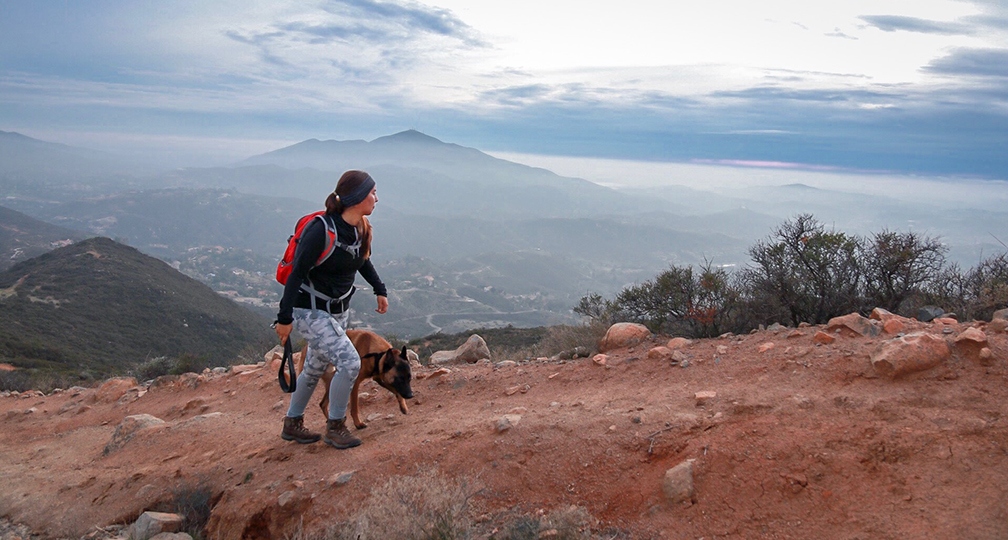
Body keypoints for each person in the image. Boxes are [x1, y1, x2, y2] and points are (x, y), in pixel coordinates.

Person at [274, 170, 388, 449]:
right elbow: (297, 273)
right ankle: (336, 426)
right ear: (358, 197)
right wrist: (284, 318)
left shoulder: (359, 227)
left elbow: (362, 261)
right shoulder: (321, 229)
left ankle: (292, 423)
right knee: (350, 363)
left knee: (314, 367)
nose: (377, 198)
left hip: (337, 312)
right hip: (308, 311)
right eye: (373, 192)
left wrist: (379, 289)